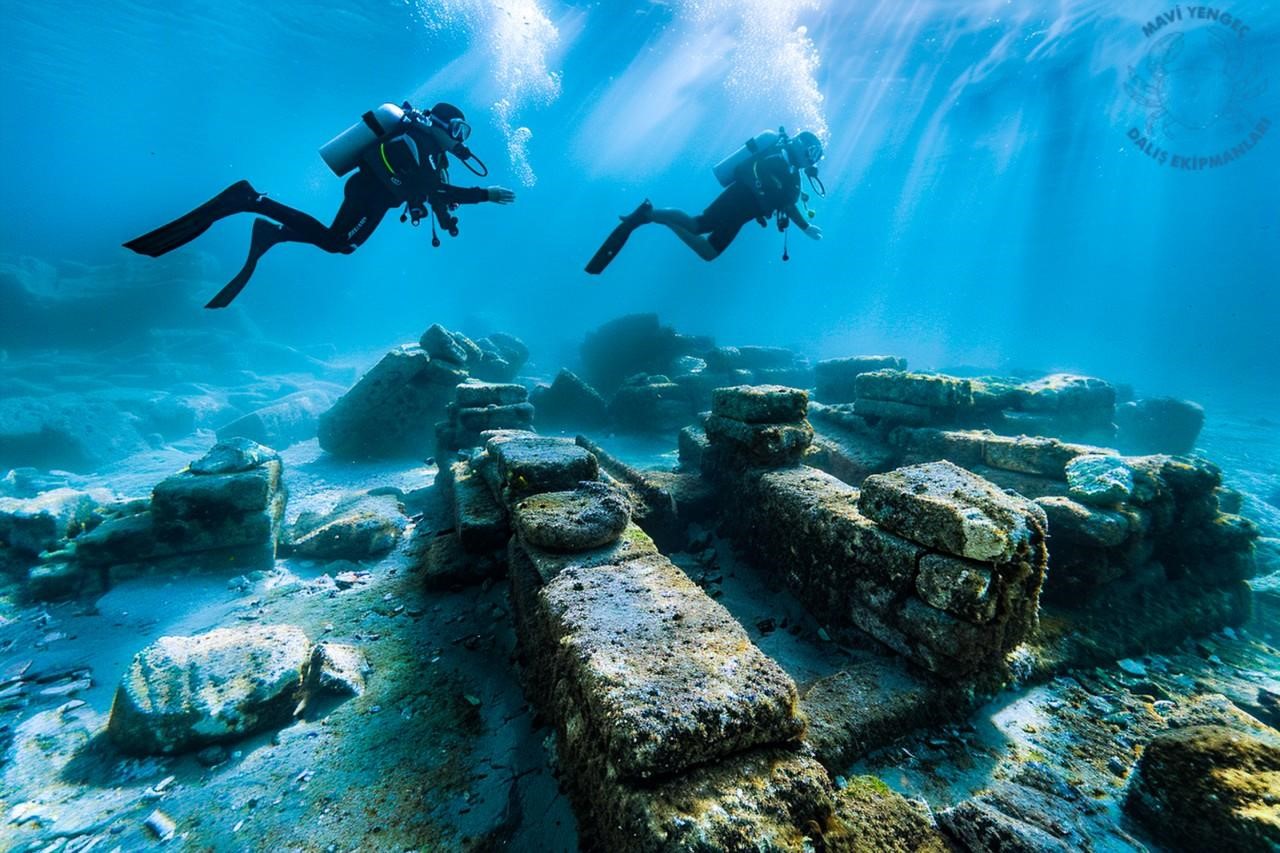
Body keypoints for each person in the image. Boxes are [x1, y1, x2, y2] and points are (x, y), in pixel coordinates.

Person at [123, 102, 516, 308]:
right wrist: (486, 194)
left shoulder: (430, 151)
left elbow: (435, 192)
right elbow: (437, 191)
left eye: (464, 132)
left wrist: (447, 219)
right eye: (459, 129)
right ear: (442, 125)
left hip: (373, 195)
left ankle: (273, 230)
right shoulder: (418, 141)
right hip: (369, 194)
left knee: (338, 242)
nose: (461, 138)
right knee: (337, 242)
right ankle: (253, 201)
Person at [585, 129, 825, 274]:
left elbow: (785, 203)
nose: (812, 162)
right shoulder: (778, 158)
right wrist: (804, 226)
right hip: (737, 201)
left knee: (705, 246)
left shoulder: (790, 172)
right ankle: (651, 214)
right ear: (803, 148)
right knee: (698, 228)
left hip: (741, 211)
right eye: (812, 155)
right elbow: (753, 175)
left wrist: (802, 225)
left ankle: (656, 216)